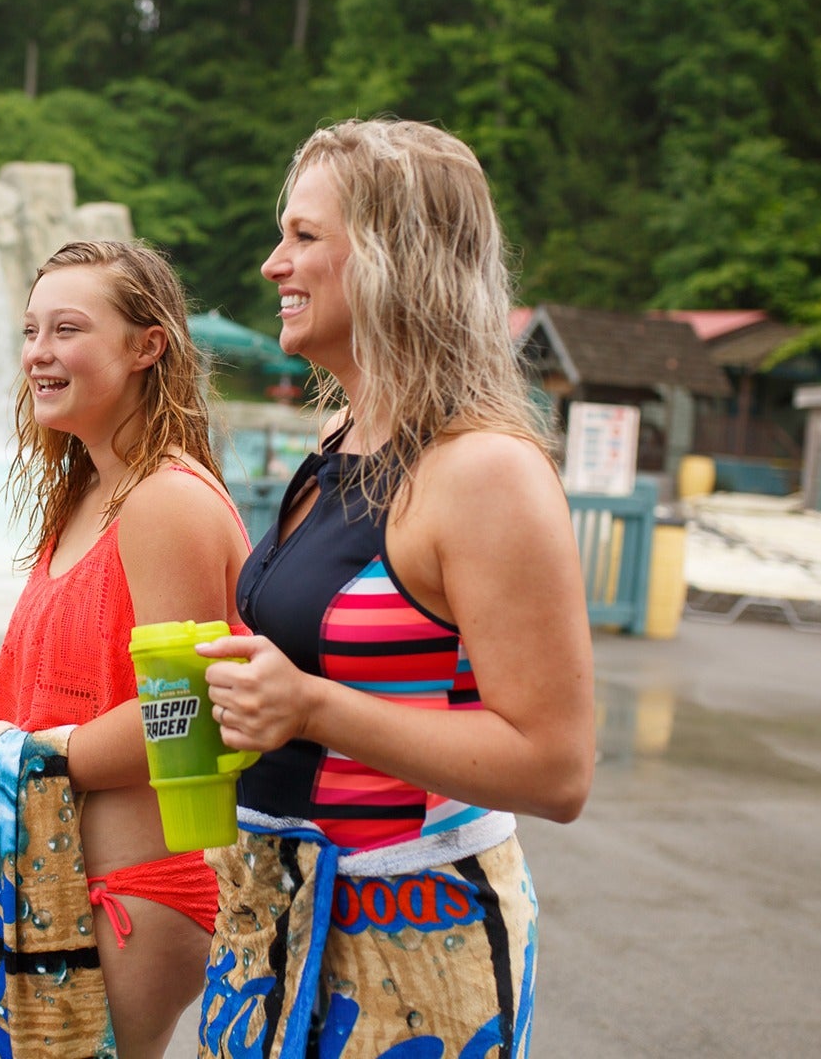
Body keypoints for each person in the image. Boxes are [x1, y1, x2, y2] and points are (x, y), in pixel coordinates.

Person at [193, 118, 595, 1057]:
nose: (270, 264)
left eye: (303, 236)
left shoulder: (484, 471)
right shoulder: (335, 446)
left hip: (412, 942)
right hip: (273, 920)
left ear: (389, 258)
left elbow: (556, 767)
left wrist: (312, 707)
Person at [0, 240, 250, 1058]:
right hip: (43, 869)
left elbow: (189, 720)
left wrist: (16, 751)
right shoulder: (87, 490)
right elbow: (77, 675)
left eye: (68, 329)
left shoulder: (166, 501)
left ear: (147, 346)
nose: (40, 353)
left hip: (131, 890)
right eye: (31, 331)